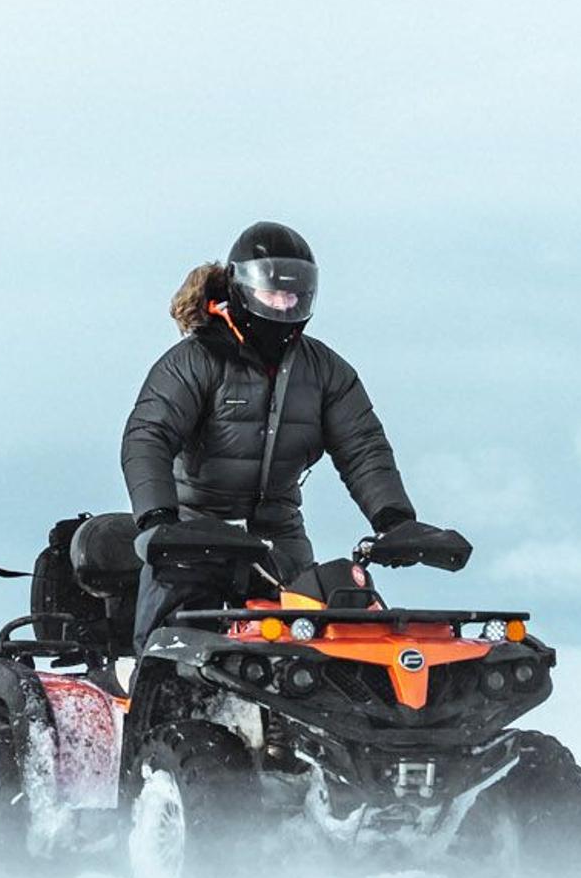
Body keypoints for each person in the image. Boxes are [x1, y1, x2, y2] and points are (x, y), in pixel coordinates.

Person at [119, 223, 467, 651]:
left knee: (327, 652)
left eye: (295, 295)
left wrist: (394, 521)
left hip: (279, 542)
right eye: (273, 293)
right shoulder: (193, 362)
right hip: (191, 540)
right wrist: (158, 520)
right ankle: (146, 707)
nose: (284, 304)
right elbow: (147, 437)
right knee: (166, 654)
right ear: (240, 287)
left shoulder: (325, 371)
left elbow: (363, 448)